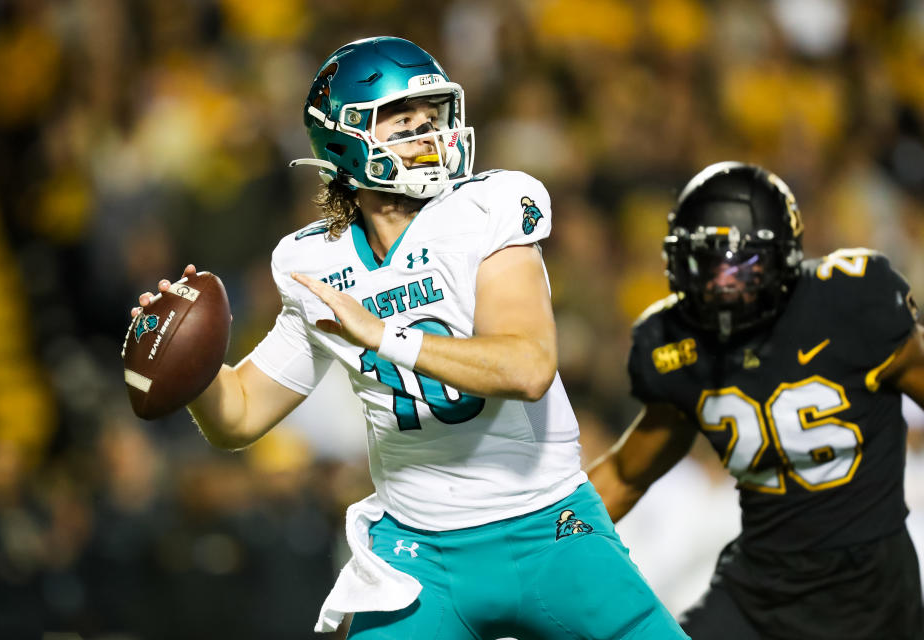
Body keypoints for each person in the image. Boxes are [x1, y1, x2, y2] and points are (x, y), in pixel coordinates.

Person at [131, 37, 687, 639]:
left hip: (547, 527)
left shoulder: (488, 208)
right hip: (420, 553)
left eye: (432, 116)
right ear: (344, 138)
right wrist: (182, 358)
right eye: (402, 120)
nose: (428, 133)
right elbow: (237, 417)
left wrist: (385, 336)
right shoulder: (313, 260)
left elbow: (528, 367)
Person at [587, 161, 924, 640]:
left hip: (870, 586)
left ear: (781, 258)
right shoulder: (675, 345)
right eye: (705, 264)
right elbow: (626, 473)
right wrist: (540, 535)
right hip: (761, 582)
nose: (721, 283)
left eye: (739, 265)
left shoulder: (851, 306)